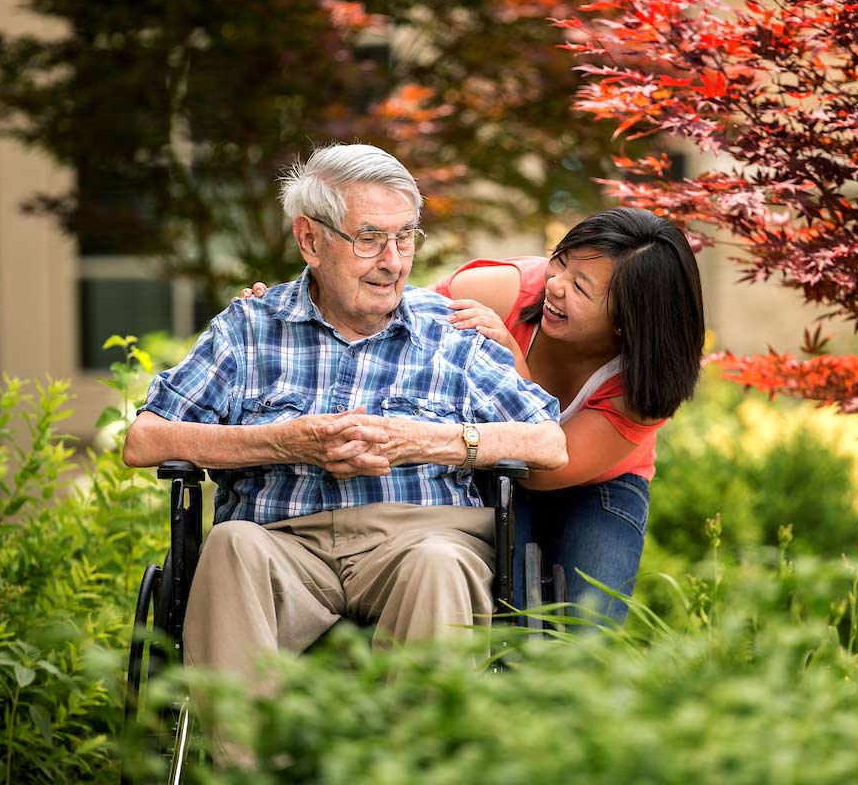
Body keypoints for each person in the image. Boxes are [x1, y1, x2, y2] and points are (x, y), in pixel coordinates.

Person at [123, 143, 567, 693]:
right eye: (369, 238)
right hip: (280, 543)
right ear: (310, 239)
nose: (393, 261)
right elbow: (144, 440)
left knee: (438, 564)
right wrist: (285, 442)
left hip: (419, 539)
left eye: (405, 236)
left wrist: (429, 441)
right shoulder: (249, 327)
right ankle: (245, 769)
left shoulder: (451, 331)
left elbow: (549, 442)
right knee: (230, 545)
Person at [241, 206, 705, 624]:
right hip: (484, 459)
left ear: (627, 319)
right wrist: (288, 305)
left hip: (592, 483)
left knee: (588, 624)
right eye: (560, 263)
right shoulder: (498, 291)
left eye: (580, 288)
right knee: (508, 606)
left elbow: (541, 473)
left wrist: (513, 361)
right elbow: (385, 319)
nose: (555, 287)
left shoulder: (645, 381)